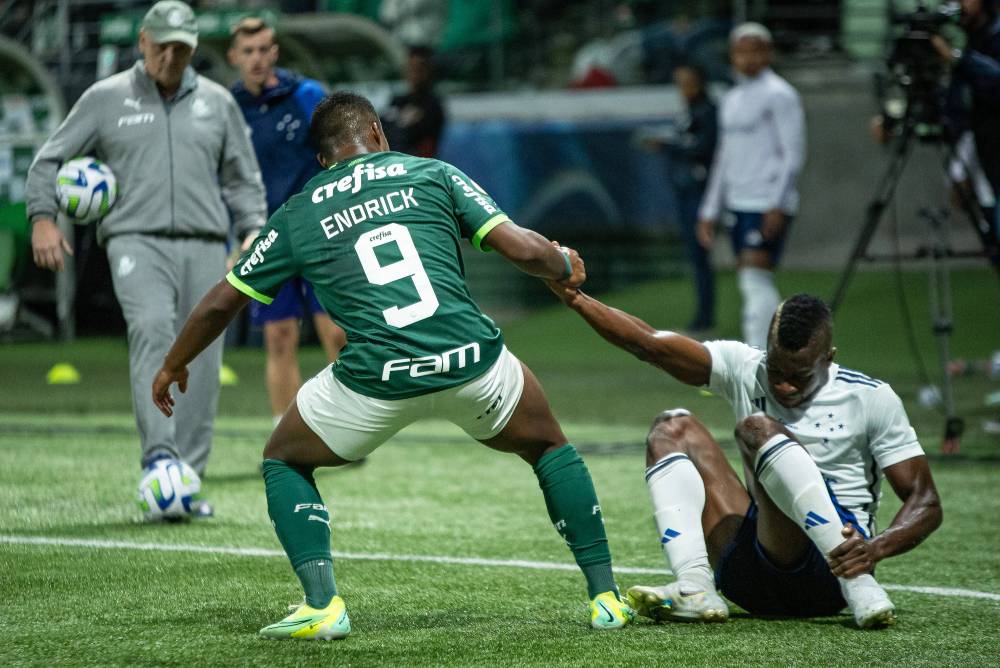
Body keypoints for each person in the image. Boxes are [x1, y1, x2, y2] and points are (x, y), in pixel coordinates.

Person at [151, 92, 635, 639]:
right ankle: (605, 599)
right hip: (470, 364)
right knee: (548, 446)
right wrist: (563, 263)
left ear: (323, 160)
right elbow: (521, 249)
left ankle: (323, 606)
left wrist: (173, 363)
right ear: (379, 134)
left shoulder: (300, 211)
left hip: (375, 383)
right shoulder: (434, 174)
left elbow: (223, 300)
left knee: (283, 459)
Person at [545, 282, 942, 629]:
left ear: (829, 357)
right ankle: (695, 587)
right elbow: (648, 344)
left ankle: (860, 586)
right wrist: (575, 298)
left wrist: (874, 550)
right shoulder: (745, 367)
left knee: (756, 427)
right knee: (671, 427)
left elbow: (925, 501)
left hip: (832, 572)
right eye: (776, 371)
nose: (784, 387)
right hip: (753, 573)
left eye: (798, 376)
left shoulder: (871, 397)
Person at [25, 0, 266, 513]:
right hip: (135, 240)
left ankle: (187, 480)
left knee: (202, 355)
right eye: (162, 46)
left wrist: (252, 233)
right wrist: (43, 217)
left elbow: (243, 179)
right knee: (154, 331)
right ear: (142, 42)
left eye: (182, 49)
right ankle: (160, 460)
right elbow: (49, 160)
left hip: (206, 244)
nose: (171, 57)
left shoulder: (219, 103)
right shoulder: (105, 98)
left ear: (193, 50)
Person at [228, 17, 347, 425]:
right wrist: (237, 237)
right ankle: (288, 431)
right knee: (279, 338)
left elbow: (341, 153)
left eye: (263, 49)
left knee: (337, 332)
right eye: (248, 51)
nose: (257, 58)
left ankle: (347, 422)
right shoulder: (229, 109)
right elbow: (225, 178)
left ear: (275, 52)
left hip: (319, 233)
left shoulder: (307, 95)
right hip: (267, 239)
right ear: (234, 57)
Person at [697, 22, 805, 349]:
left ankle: (759, 355)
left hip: (766, 201)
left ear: (768, 53)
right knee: (753, 280)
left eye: (756, 50)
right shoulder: (731, 98)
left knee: (753, 277)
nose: (748, 58)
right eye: (742, 51)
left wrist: (777, 201)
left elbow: (793, 153)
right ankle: (778, 352)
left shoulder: (781, 95)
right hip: (738, 201)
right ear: (732, 55)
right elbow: (723, 157)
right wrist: (709, 210)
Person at [643, 63, 717, 333]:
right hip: (688, 190)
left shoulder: (707, 111)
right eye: (679, 83)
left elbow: (703, 147)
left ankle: (705, 317)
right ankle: (703, 315)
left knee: (700, 255)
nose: (683, 89)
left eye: (687, 82)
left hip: (701, 191)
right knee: (696, 256)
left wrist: (669, 145)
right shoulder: (691, 112)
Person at [935, 0, 1000, 247]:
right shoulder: (966, 38)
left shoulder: (992, 37)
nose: (959, 4)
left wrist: (957, 57)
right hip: (978, 149)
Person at [381, 46, 446, 158]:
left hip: (419, 168)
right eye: (411, 68)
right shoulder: (397, 101)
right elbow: (382, 131)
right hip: (393, 163)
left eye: (420, 68)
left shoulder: (433, 106)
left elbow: (422, 139)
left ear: (429, 71)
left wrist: (400, 126)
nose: (415, 74)